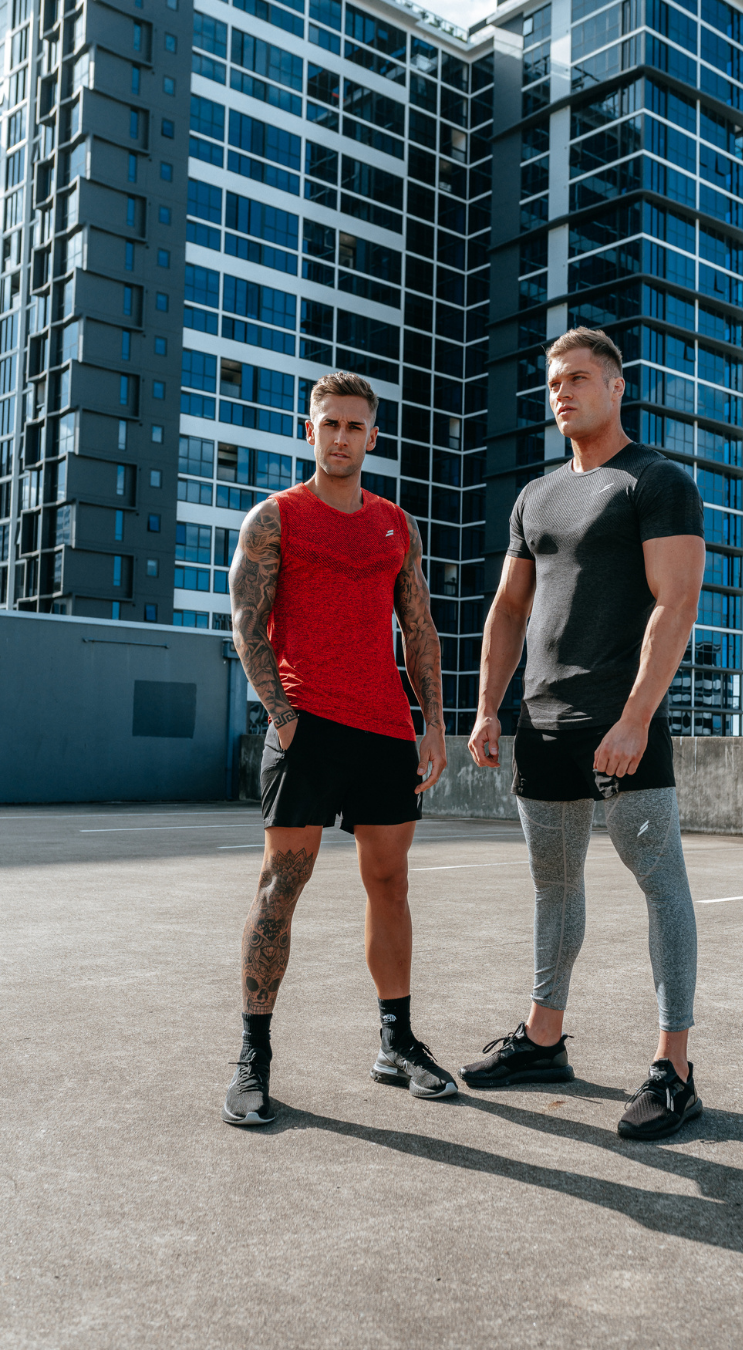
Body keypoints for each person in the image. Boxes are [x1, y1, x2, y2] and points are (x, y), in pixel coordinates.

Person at [462, 327, 707, 1141]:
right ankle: (542, 1041)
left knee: (660, 885)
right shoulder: (534, 496)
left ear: (615, 387)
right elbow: (508, 608)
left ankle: (674, 1069)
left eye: (578, 378)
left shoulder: (656, 481)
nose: (562, 392)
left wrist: (637, 716)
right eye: (553, 382)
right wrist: (489, 706)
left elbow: (675, 603)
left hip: (619, 725)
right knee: (554, 888)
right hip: (542, 724)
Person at [222, 370, 457, 1126]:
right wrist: (281, 715)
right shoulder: (276, 519)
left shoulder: (395, 524)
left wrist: (434, 722)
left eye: (355, 426)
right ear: (310, 430)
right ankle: (253, 1057)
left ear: (373, 436)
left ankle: (396, 1042)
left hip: (386, 730)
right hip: (308, 728)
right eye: (330, 424)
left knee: (390, 886)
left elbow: (418, 628)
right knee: (279, 889)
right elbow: (245, 623)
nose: (342, 437)